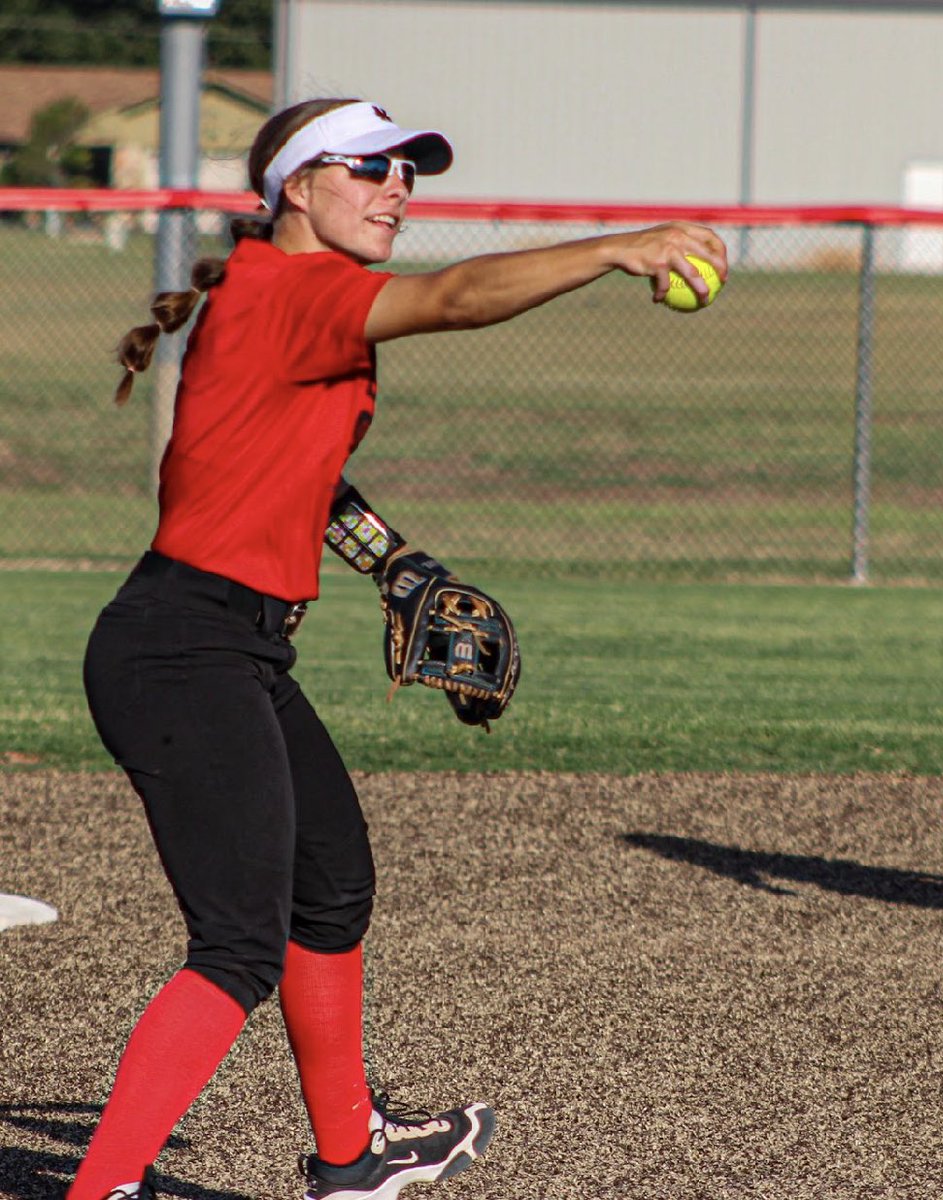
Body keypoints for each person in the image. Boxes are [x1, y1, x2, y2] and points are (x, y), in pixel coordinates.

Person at [73, 97, 729, 1200]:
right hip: (180, 649)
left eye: (407, 173)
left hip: (232, 648)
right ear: (296, 188)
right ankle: (101, 1191)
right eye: (368, 168)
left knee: (330, 889)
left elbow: (297, 470)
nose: (397, 189)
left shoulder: (279, 298)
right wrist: (621, 245)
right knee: (237, 945)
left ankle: (351, 1159)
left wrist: (393, 564)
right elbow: (463, 297)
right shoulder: (294, 288)